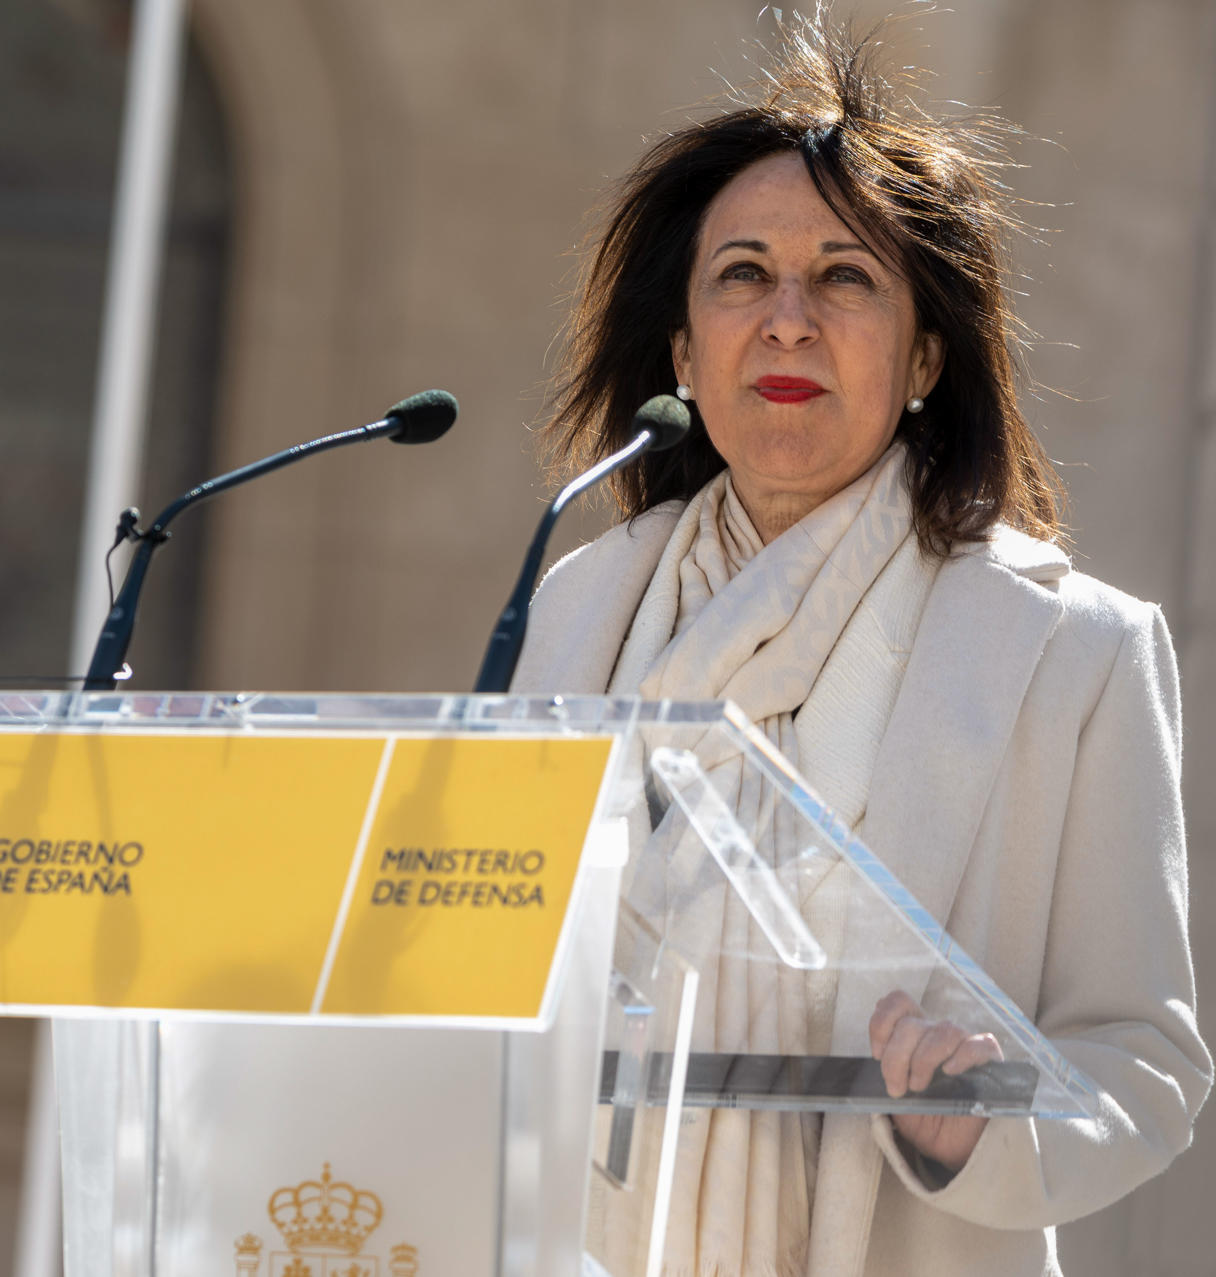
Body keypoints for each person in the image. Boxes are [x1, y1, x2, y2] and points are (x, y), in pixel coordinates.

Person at [512, 11, 1210, 1277]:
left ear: (926, 355)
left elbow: (1146, 1064)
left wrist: (974, 1122)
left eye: (843, 277)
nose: (787, 320)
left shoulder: (1074, 653)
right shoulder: (574, 604)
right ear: (682, 350)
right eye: (741, 276)